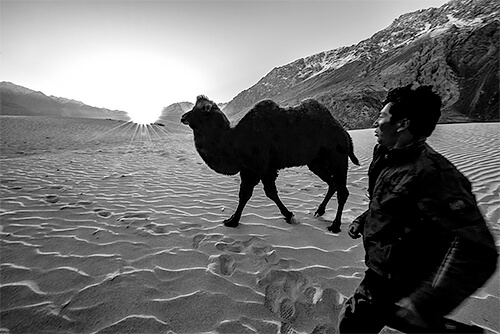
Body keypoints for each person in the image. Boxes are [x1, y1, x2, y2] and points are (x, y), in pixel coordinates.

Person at [339, 84, 498, 333]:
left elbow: (478, 249)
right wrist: (365, 218)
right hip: (384, 265)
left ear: (402, 124)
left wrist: (426, 302)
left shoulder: (434, 174)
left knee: (354, 323)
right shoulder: (387, 156)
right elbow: (390, 202)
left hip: (402, 276)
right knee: (391, 317)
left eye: (381, 117)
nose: (375, 124)